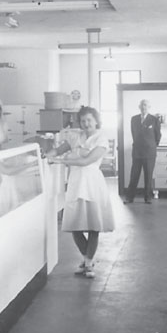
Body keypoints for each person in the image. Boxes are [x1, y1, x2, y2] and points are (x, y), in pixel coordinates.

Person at [49, 105, 116, 279]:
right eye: (83, 120)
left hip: (93, 183)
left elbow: (87, 161)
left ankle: (88, 261)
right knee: (74, 225)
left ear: (96, 121)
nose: (86, 124)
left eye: (89, 120)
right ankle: (88, 259)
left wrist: (59, 161)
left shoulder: (101, 138)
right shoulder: (74, 136)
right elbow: (59, 149)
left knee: (94, 225)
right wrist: (48, 154)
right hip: (76, 183)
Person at [125, 99, 161, 203]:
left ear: (149, 107)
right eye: (142, 105)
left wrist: (152, 145)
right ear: (139, 107)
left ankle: (148, 198)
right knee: (134, 175)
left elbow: (158, 136)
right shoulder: (134, 119)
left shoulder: (154, 119)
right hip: (137, 151)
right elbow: (134, 133)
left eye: (145, 105)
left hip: (149, 152)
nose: (143, 107)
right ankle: (129, 197)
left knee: (148, 175)